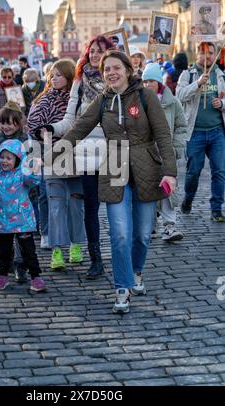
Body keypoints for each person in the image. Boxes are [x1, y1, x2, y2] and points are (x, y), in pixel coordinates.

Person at [54, 50, 176, 313]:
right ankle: (123, 287)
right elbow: (78, 129)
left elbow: (163, 135)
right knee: (120, 234)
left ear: (128, 70)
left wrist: (170, 172)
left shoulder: (146, 97)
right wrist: (50, 154)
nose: (111, 72)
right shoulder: (102, 100)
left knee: (142, 235)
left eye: (116, 67)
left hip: (146, 166)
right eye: (106, 69)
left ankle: (137, 271)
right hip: (113, 166)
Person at [34, 35, 114, 278]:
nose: (95, 55)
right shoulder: (80, 82)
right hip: (87, 153)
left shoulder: (116, 80)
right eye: (92, 50)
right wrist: (52, 128)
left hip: (114, 151)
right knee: (90, 207)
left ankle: (125, 254)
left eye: (101, 51)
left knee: (118, 207)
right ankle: (96, 259)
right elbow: (70, 119)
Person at [28, 59, 86, 271]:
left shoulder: (78, 101)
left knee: (76, 205)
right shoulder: (42, 101)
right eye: (52, 75)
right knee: (55, 205)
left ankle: (75, 245)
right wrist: (35, 157)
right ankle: (57, 250)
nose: (54, 79)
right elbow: (32, 128)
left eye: (60, 75)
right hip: (50, 157)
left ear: (70, 77)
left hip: (76, 156)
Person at [0, 139, 46, 292]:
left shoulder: (22, 174)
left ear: (17, 159)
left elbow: (34, 181)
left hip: (23, 220)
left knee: (28, 251)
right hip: (3, 221)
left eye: (9, 158)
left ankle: (35, 277)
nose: (4, 161)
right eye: (2, 157)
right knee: (2, 251)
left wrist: (34, 168)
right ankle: (3, 275)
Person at [176, 42, 225, 222]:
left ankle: (216, 208)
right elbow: (179, 96)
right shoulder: (187, 74)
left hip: (217, 131)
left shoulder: (221, 75)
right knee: (193, 172)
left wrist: (222, 105)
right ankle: (188, 198)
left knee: (219, 171)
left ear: (216, 55)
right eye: (204, 53)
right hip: (195, 133)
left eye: (211, 53)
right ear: (197, 54)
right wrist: (197, 84)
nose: (208, 57)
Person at [0, 101, 32, 283]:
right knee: (5, 234)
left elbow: (32, 166)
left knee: (22, 232)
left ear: (18, 124)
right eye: (3, 122)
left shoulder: (26, 141)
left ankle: (22, 264)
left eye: (11, 123)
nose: (6, 126)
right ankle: (8, 263)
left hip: (23, 196)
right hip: (2, 197)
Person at [142, 62, 187, 241]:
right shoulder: (139, 101)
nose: (147, 85)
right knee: (148, 190)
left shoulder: (172, 102)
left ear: (158, 82)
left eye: (150, 81)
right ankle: (150, 225)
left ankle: (170, 226)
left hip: (166, 154)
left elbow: (181, 126)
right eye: (144, 81)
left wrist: (176, 147)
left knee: (167, 189)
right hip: (146, 155)